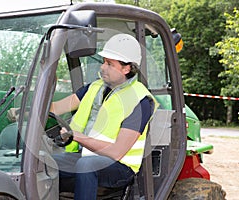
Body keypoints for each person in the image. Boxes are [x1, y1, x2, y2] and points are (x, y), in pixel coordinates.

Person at [50, 33, 158, 200]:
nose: (102, 67)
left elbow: (116, 152)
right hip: (86, 155)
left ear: (126, 68)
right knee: (43, 162)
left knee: (87, 165)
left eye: (109, 64)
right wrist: (28, 110)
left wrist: (77, 137)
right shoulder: (95, 87)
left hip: (121, 166)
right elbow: (57, 107)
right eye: (103, 62)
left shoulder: (141, 102)